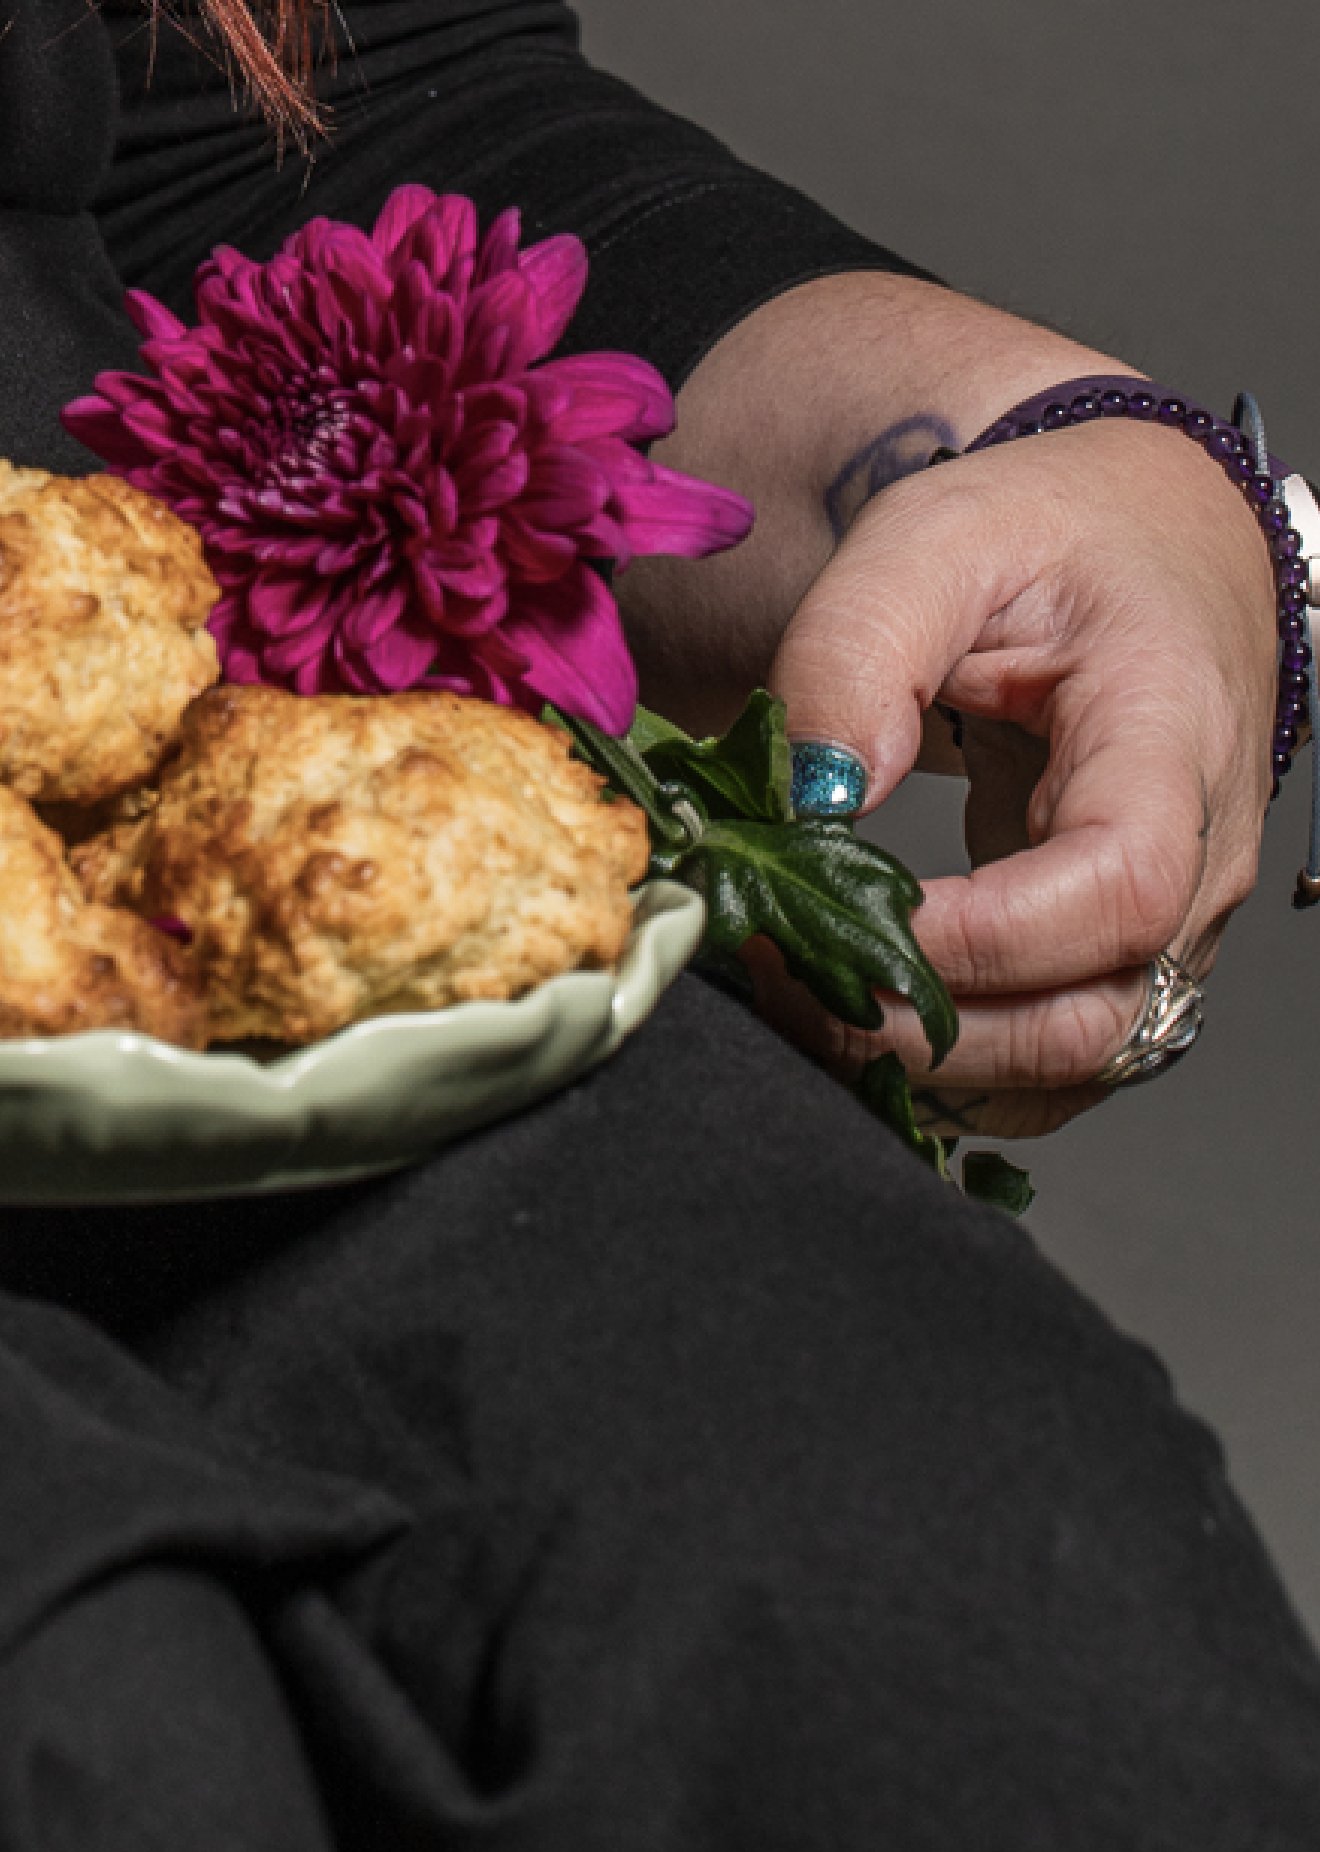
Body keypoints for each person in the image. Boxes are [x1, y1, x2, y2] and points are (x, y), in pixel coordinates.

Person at [0, 0, 1317, 1844]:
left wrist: (1074, 461)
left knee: (1017, 1645)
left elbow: (267, 113)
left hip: (168, 893)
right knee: (112, 1737)